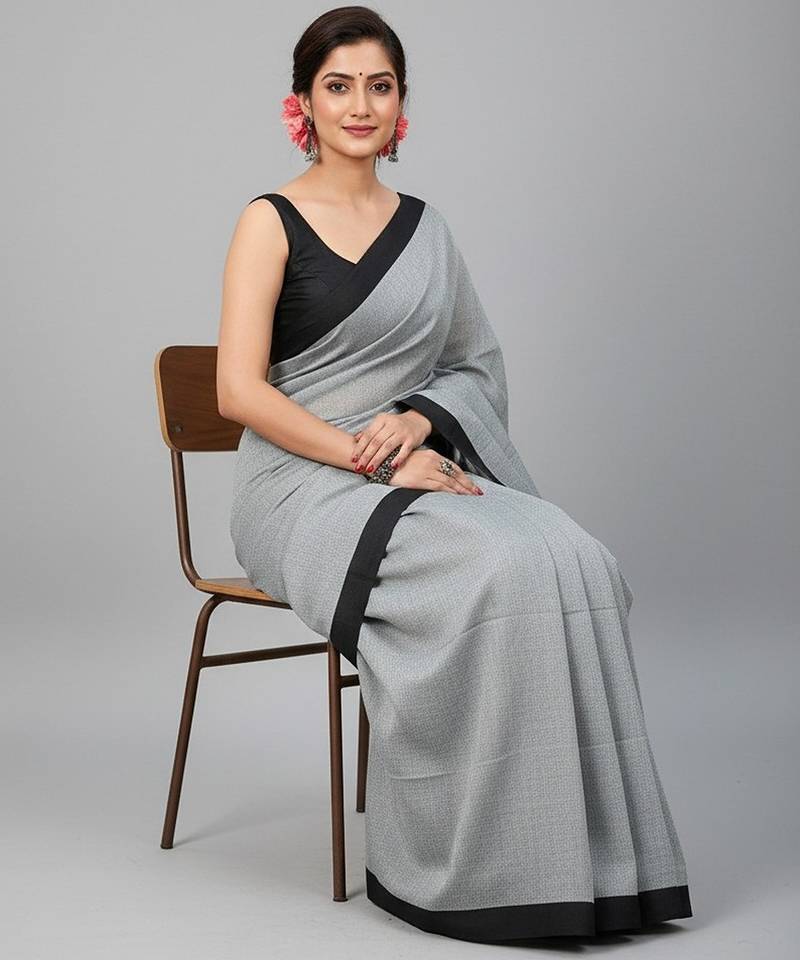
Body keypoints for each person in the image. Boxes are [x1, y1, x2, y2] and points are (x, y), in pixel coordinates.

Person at [216, 5, 693, 944]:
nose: (361, 106)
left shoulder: (427, 231)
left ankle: (590, 870)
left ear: (403, 105)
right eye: (339, 86)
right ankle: (474, 871)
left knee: (572, 556)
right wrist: (369, 458)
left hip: (409, 465)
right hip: (298, 487)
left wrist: (414, 422)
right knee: (497, 570)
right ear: (303, 103)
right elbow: (237, 390)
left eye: (380, 86)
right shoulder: (268, 221)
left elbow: (474, 367)